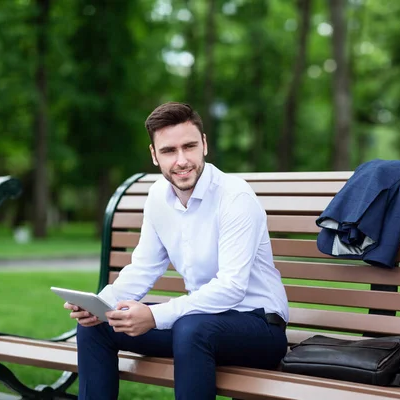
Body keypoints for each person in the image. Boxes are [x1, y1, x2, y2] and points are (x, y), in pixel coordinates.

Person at [64, 102, 289, 400]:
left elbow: (232, 288)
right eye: (169, 151)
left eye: (190, 147)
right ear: (154, 155)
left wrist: (155, 317)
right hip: (198, 326)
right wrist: (102, 305)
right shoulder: (158, 195)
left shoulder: (235, 197)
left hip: (259, 327)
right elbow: (143, 268)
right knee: (98, 328)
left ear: (205, 145)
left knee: (191, 329)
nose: (182, 160)